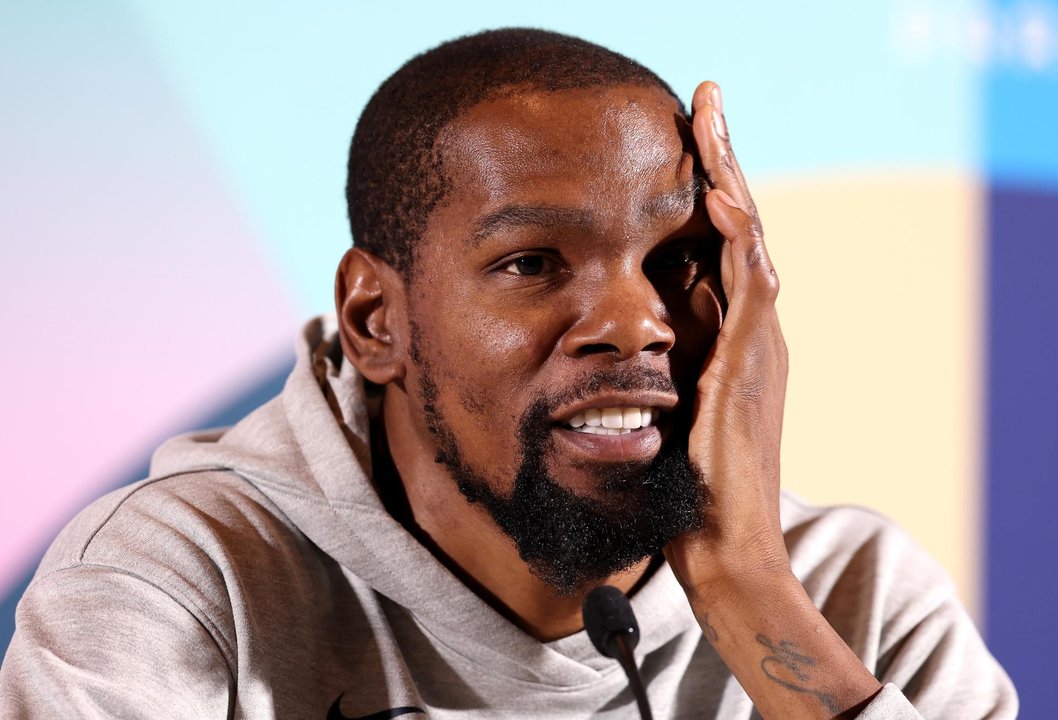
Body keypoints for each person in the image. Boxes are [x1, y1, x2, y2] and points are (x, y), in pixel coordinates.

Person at [0, 28, 1016, 719]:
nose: (636, 322)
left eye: (676, 263)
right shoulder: (181, 577)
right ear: (374, 320)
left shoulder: (853, 591)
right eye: (531, 262)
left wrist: (749, 591)